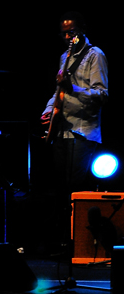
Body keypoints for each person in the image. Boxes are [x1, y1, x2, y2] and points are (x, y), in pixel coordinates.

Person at [40, 11, 108, 194]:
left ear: (83, 30)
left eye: (72, 32)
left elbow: (101, 95)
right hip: (62, 129)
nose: (68, 37)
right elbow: (59, 91)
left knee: (75, 186)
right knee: (60, 186)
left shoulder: (95, 55)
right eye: (64, 34)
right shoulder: (64, 57)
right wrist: (48, 110)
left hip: (83, 131)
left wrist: (73, 88)